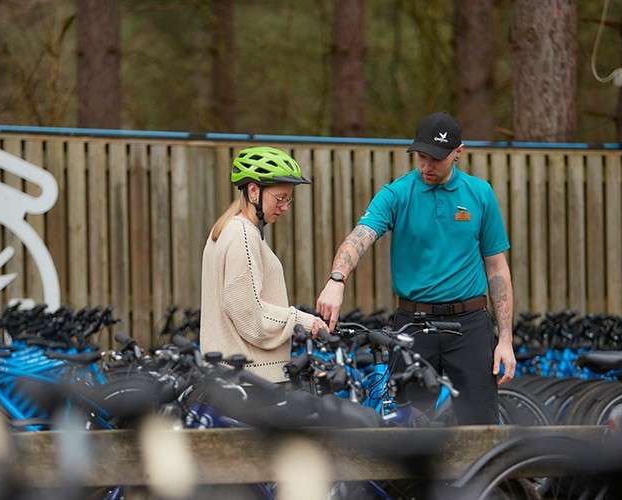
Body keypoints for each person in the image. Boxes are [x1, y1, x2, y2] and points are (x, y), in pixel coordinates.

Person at [315, 112, 516, 424]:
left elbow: (497, 268)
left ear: (458, 153)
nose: (426, 166)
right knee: (407, 426)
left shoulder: (480, 194)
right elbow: (360, 237)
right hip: (413, 326)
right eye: (421, 157)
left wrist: (505, 339)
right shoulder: (397, 194)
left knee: (480, 427)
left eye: (435, 159)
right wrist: (337, 279)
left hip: (470, 326)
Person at [200, 146, 327, 383]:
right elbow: (251, 318)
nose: (285, 207)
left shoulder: (228, 228)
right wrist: (306, 321)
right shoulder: (243, 236)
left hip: (231, 376)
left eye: (289, 199)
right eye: (280, 198)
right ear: (254, 190)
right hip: (253, 380)